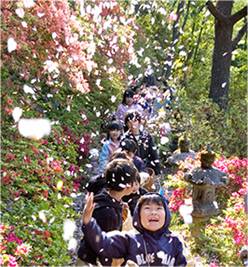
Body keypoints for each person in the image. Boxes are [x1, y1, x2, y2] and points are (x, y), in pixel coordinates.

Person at [82, 192, 187, 266]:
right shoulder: (130, 239)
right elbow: (103, 243)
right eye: (147, 208)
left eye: (158, 208)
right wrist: (89, 222)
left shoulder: (175, 241)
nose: (153, 212)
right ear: (138, 215)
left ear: (166, 215)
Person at [77, 158, 140, 266]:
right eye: (134, 181)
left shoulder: (108, 199)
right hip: (92, 262)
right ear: (127, 185)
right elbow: (104, 247)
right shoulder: (108, 213)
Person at [123, 110, 161, 176]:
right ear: (126, 124)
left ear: (139, 122)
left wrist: (157, 168)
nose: (132, 125)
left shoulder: (146, 136)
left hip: (146, 166)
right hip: (131, 168)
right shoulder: (125, 138)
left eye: (135, 121)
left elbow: (153, 152)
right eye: (129, 122)